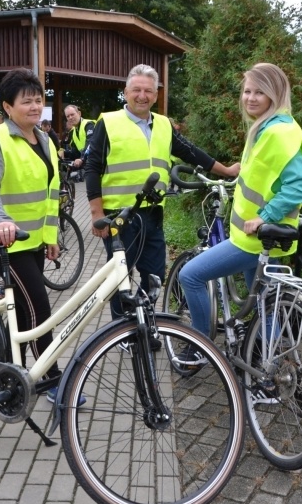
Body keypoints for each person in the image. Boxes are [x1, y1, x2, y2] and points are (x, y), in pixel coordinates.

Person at [175, 63, 302, 365]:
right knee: (265, 305)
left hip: (253, 240)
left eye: (259, 92)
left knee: (191, 275)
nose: (250, 98)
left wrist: (266, 215)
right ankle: (273, 369)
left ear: (274, 95)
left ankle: (200, 345)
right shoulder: (270, 128)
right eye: (247, 91)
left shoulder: (278, 132)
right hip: (258, 237)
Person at [85, 63, 239, 322]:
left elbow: (191, 152)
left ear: (156, 94)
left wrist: (226, 171)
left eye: (148, 90)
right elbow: (92, 168)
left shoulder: (164, 125)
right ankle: (121, 330)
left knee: (154, 273)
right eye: (136, 90)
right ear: (126, 91)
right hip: (119, 215)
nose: (142, 96)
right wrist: (96, 212)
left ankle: (145, 324)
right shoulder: (108, 123)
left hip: (153, 213)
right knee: (120, 275)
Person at [0, 69, 79, 404]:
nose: (34, 106)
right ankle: (52, 380)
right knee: (39, 310)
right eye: (26, 101)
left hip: (33, 241)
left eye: (39, 100)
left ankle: (12, 373)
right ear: (7, 106)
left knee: (23, 311)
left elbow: (49, 193)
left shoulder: (44, 139)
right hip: (7, 241)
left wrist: (51, 237)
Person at [59, 105, 94, 181]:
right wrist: (64, 153)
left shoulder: (88, 125)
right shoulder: (74, 132)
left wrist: (81, 158)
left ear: (79, 113)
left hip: (98, 164)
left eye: (72, 114)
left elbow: (90, 143)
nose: (70, 118)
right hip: (89, 166)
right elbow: (75, 152)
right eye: (68, 116)